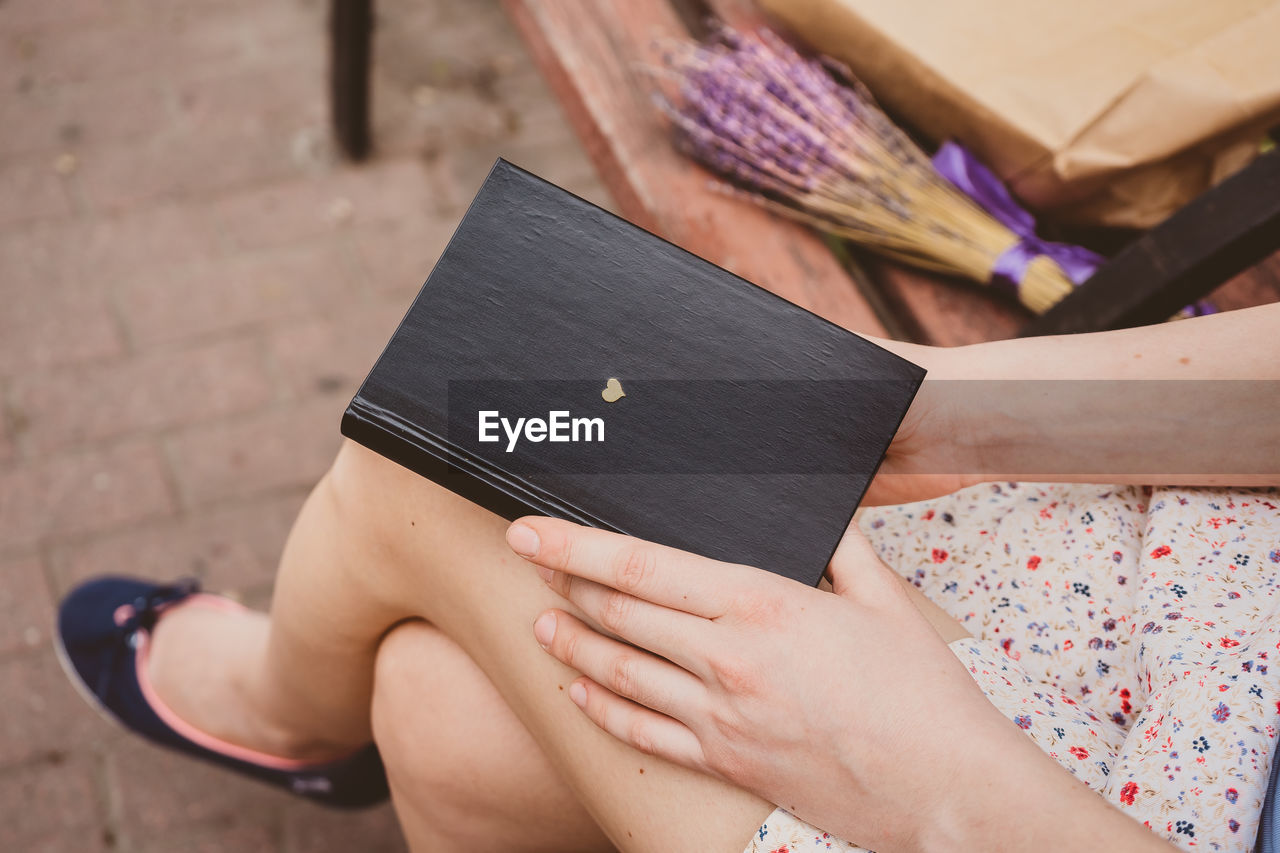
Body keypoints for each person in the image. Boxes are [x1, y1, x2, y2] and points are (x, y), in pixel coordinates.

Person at [56, 304, 1280, 852]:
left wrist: (944, 793)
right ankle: (312, 720)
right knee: (442, 716)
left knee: (451, 453)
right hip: (1208, 591)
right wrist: (933, 406)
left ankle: (283, 711)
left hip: (1093, 819)